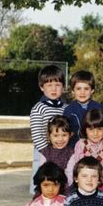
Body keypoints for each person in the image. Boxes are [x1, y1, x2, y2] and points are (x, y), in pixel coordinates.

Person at [29, 65, 67, 193]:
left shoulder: (66, 108)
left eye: (57, 85)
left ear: (63, 86)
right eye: (49, 85)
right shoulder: (38, 108)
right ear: (41, 87)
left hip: (62, 152)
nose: (54, 89)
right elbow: (36, 135)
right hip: (43, 153)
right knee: (43, 184)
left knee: (60, 184)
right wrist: (49, 153)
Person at [65, 109, 103, 196]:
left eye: (99, 129)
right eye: (91, 129)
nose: (95, 133)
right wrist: (83, 183)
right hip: (83, 182)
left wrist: (97, 182)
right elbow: (77, 165)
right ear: (85, 130)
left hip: (102, 182)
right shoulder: (80, 144)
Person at [63, 70, 103, 148]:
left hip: (96, 148)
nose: (82, 92)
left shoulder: (99, 108)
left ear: (92, 90)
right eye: (78, 89)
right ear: (72, 91)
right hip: (75, 149)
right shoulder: (68, 110)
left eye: (86, 89)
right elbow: (66, 133)